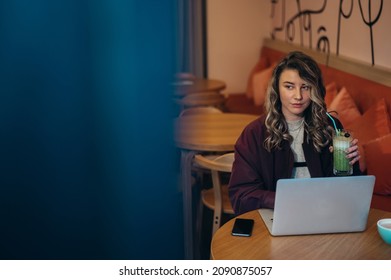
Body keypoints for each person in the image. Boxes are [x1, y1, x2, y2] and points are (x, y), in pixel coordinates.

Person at [228, 51, 362, 215]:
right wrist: (287, 201)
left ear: (315, 90)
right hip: (277, 215)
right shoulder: (254, 134)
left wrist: (350, 164)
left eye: (305, 87)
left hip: (322, 214)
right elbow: (241, 196)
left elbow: (347, 192)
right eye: (289, 86)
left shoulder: (330, 127)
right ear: (277, 89)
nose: (298, 96)